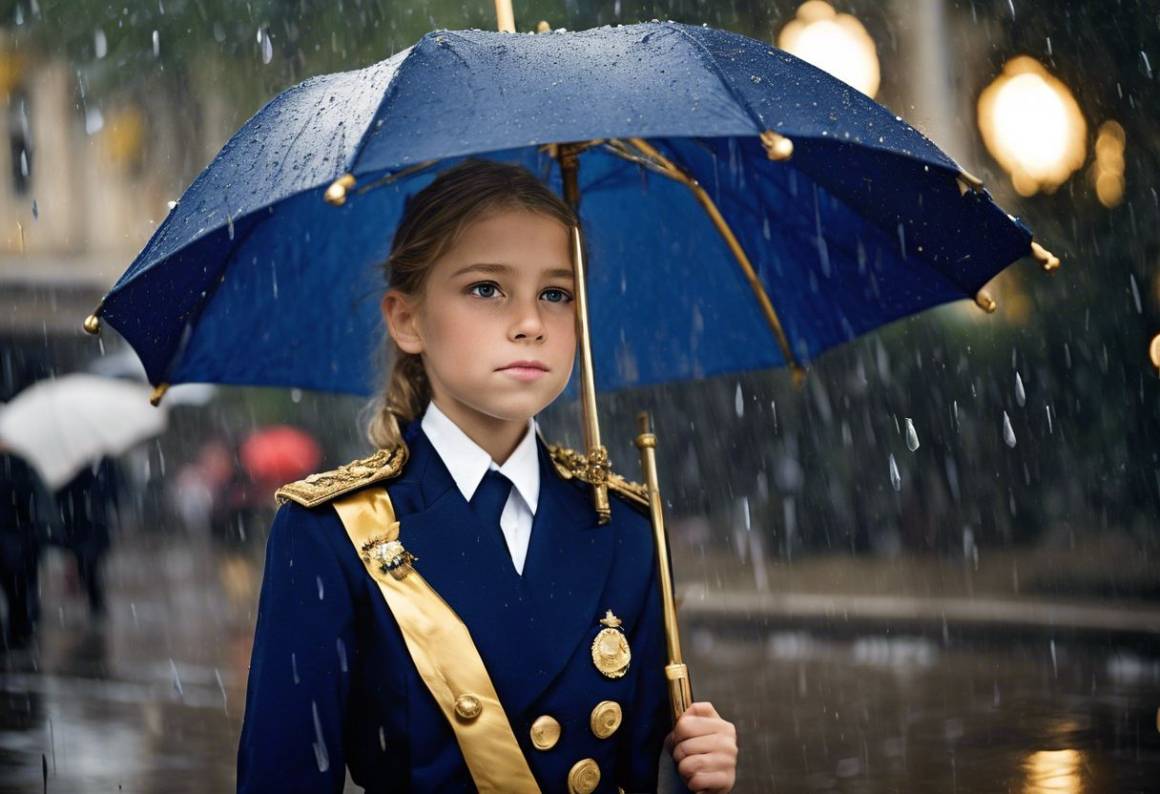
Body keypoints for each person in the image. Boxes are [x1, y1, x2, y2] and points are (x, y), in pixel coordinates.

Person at [237, 160, 738, 793]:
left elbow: (635, 773)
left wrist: (697, 772)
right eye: (487, 289)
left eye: (556, 294)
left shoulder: (629, 529)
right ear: (407, 320)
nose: (530, 322)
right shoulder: (329, 534)